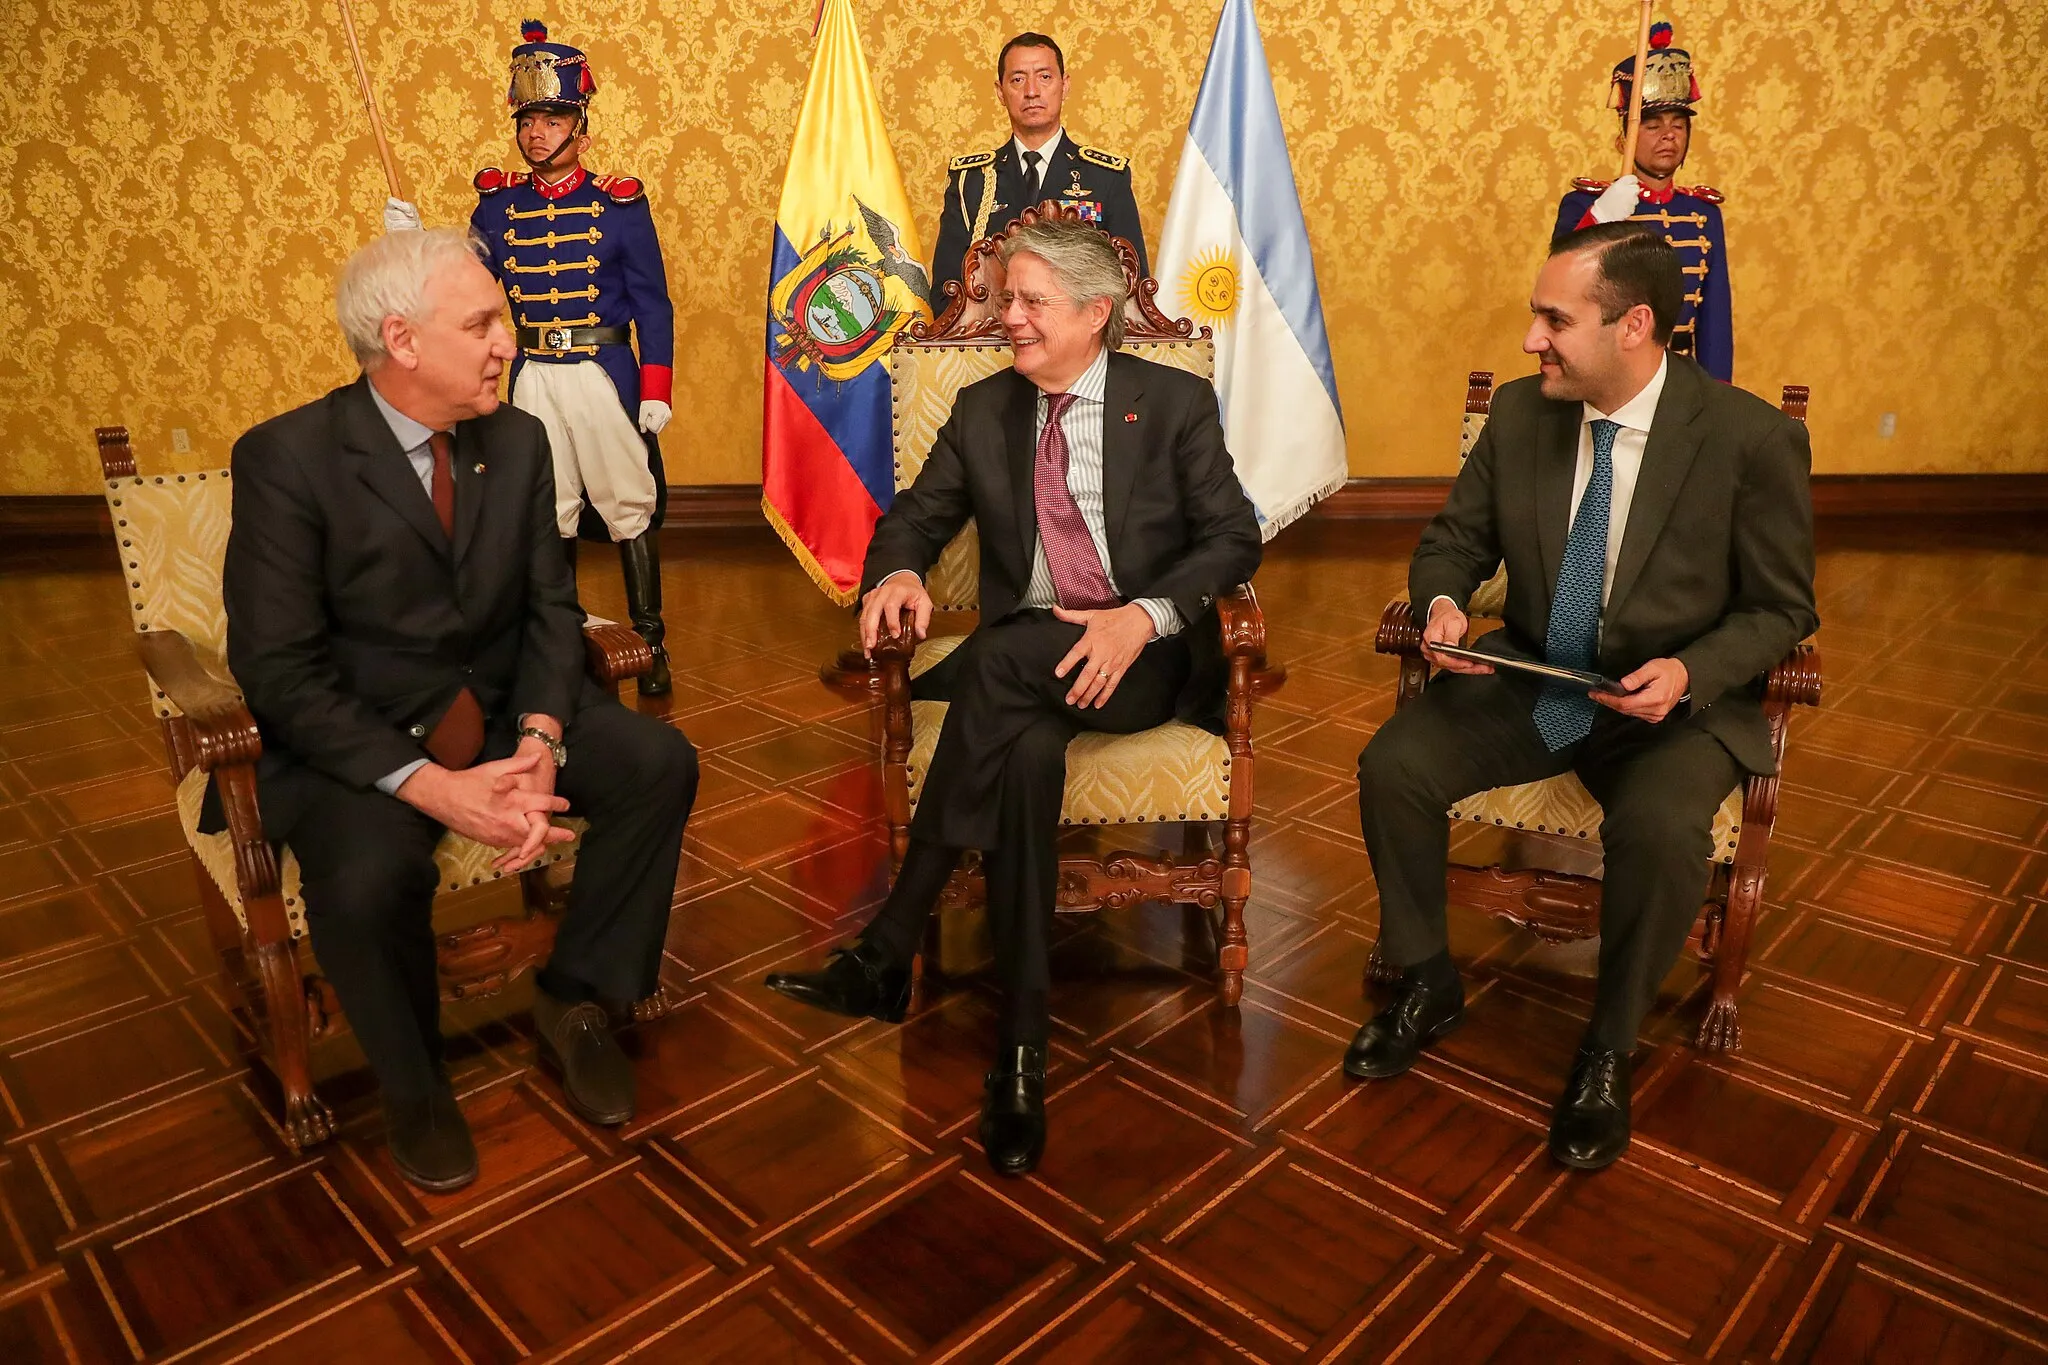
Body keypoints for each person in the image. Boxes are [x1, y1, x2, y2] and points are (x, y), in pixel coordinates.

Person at [764, 218, 1259, 1176]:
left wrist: (1144, 616)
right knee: (1024, 746)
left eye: (1030, 303)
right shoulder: (986, 410)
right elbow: (913, 517)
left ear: (1095, 315)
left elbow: (1234, 538)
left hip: (1137, 657)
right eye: (1004, 300)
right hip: (1028, 665)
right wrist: (897, 573)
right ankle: (1022, 1054)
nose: (1009, 320)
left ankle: (888, 946)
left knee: (996, 664)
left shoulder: (1173, 403)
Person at [221, 228, 699, 1193]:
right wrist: (436, 788)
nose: (507, 343)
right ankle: (415, 1084)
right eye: (481, 323)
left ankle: (576, 998)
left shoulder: (515, 441)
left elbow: (546, 607)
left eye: (503, 321)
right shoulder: (288, 458)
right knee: (367, 877)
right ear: (401, 340)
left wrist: (540, 739)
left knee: (659, 763)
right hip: (355, 738)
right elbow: (279, 672)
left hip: (499, 709)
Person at [1345, 224, 1815, 1170]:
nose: (1531, 340)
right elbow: (1452, 544)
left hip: (1665, 706)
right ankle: (1431, 980)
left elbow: (1781, 607)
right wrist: (1440, 603)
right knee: (1393, 764)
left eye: (1554, 319)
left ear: (1634, 325)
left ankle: (1608, 1046)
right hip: (1535, 677)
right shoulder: (1522, 417)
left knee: (1660, 831)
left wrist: (1688, 673)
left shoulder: (1749, 439)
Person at [466, 22, 677, 693]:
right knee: (546, 509)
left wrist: (655, 384)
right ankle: (559, 636)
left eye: (552, 119)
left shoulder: (618, 205)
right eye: (528, 120)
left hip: (600, 374)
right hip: (534, 380)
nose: (536, 134)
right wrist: (416, 241)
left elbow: (654, 304)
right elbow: (468, 284)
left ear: (581, 129)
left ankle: (649, 642)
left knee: (626, 504)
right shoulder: (497, 206)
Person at [1552, 22, 1732, 382]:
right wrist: (1599, 217)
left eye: (1678, 125)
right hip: (1607, 371)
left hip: (1680, 378)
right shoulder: (1584, 205)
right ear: (1625, 138)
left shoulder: (1703, 214)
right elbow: (1559, 287)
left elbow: (1714, 322)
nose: (1668, 135)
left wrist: (1716, 396)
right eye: (1652, 125)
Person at [927, 32, 1147, 312]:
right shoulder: (972, 180)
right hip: (995, 339)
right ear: (1000, 91)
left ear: (1065, 86)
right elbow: (947, 291)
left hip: (1076, 346)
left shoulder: (1106, 176)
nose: (1032, 91)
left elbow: (1132, 287)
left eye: (1044, 77)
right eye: (1018, 79)